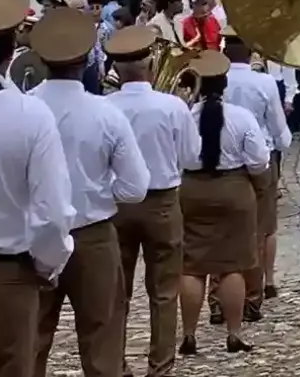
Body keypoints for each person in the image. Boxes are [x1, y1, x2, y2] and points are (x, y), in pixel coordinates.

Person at [30, 7, 151, 377]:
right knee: (103, 338)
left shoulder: (24, 107)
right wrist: (96, 190)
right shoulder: (106, 113)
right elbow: (135, 188)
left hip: (32, 233)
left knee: (29, 340)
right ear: (86, 61)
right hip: (93, 234)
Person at [105, 25, 202, 377]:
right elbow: (192, 158)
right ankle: (160, 368)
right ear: (150, 63)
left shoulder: (106, 106)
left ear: (116, 70)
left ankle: (116, 363)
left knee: (117, 291)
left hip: (116, 206)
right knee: (164, 291)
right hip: (162, 202)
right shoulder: (173, 107)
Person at [0, 0, 74, 377]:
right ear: (12, 50)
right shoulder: (31, 116)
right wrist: (46, 265)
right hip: (9, 272)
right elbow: (53, 213)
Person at [177, 50, 267, 356]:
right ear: (225, 84)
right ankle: (233, 332)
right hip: (233, 190)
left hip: (192, 190)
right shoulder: (242, 117)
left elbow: (177, 158)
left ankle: (189, 334)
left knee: (191, 265)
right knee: (232, 265)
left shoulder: (186, 117)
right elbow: (258, 162)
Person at [217, 27, 292, 323]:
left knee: (224, 228)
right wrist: (284, 143)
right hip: (261, 157)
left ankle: (220, 293)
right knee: (264, 226)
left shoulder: (216, 80)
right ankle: (263, 284)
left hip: (223, 160)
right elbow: (278, 127)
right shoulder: (263, 82)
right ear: (251, 52)